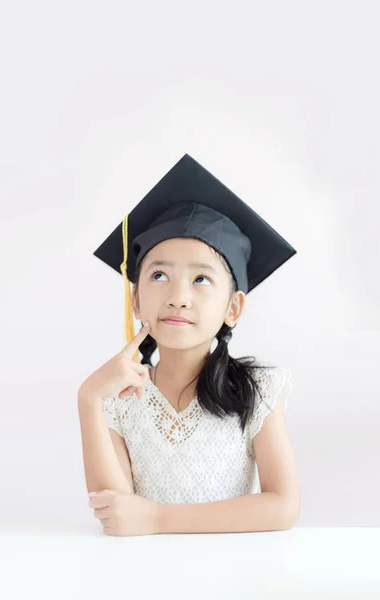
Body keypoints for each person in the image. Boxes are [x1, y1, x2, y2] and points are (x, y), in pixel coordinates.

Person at [80, 153, 300, 535]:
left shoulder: (257, 390)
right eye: (160, 274)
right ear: (135, 299)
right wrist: (89, 400)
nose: (179, 296)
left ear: (233, 307)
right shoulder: (119, 398)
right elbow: (118, 515)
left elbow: (282, 506)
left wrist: (159, 519)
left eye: (201, 279)